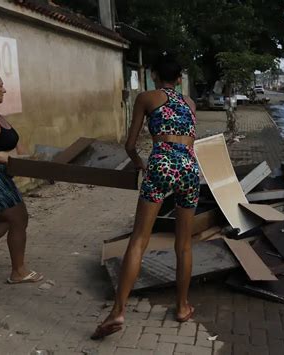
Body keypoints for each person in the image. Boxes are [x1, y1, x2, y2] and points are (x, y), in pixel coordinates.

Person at [92, 53, 200, 339]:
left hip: (161, 164)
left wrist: (140, 163)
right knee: (184, 244)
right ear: (179, 79)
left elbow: (129, 144)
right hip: (189, 169)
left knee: (139, 240)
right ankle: (181, 307)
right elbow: (191, 140)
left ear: (154, 75)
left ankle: (117, 312)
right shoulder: (190, 104)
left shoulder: (146, 98)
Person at [0, 70, 43, 284]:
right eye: (0, 85)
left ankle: (18, 271)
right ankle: (18, 272)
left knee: (7, 219)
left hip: (2, 176)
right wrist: (6, 160)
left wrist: (35, 162)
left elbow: (15, 143)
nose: (4, 89)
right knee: (18, 217)